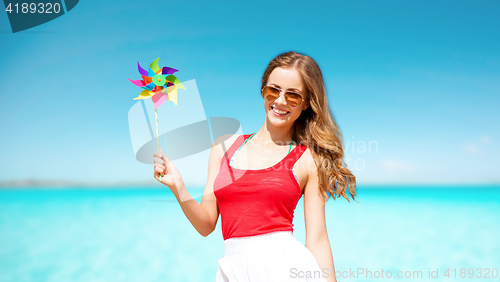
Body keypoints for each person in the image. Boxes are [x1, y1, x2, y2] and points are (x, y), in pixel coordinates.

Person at [153, 51, 357, 282]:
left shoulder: (309, 159)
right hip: (234, 269)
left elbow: (318, 239)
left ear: (307, 103)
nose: (280, 101)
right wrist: (178, 186)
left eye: (293, 96)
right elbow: (206, 225)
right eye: (273, 90)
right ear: (263, 91)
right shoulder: (223, 146)